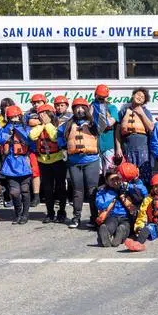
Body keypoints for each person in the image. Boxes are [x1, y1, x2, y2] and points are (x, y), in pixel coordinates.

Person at [58, 97, 102, 229]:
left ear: (87, 109)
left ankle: (94, 219)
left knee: (92, 190)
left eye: (82, 107)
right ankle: (76, 217)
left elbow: (102, 126)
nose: (80, 110)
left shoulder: (93, 123)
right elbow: (59, 136)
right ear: (73, 109)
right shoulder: (67, 124)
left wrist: (97, 108)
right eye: (77, 108)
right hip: (74, 162)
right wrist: (63, 147)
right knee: (77, 190)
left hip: (91, 160)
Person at [29, 103, 68, 224]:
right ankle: (50, 213)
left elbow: (55, 137)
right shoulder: (38, 127)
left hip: (58, 160)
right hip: (43, 161)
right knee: (47, 189)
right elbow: (32, 136)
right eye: (41, 115)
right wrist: (43, 124)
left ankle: (62, 212)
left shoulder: (58, 126)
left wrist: (48, 124)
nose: (43, 116)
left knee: (60, 187)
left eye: (45, 114)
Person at [0, 105, 33, 224]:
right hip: (10, 164)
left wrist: (18, 128)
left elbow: (29, 139)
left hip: (23, 163)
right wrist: (9, 129)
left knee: (25, 190)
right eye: (12, 117)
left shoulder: (26, 128)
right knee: (14, 192)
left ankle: (25, 215)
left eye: (16, 116)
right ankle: (17, 213)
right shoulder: (5, 128)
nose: (15, 119)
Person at [95, 167, 147, 248]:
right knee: (110, 224)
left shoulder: (127, 186)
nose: (115, 182)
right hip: (112, 216)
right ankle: (106, 233)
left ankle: (120, 236)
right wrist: (112, 194)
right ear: (107, 181)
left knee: (125, 226)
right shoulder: (103, 190)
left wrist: (128, 186)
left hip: (127, 216)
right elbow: (100, 205)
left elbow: (144, 192)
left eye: (117, 178)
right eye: (112, 180)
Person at [116, 87, 155, 185]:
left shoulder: (146, 112)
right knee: (128, 172)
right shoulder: (123, 111)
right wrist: (118, 148)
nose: (139, 97)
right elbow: (117, 131)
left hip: (142, 147)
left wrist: (141, 113)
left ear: (144, 101)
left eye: (142, 97)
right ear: (133, 95)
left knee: (143, 172)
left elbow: (151, 127)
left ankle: (144, 195)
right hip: (127, 147)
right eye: (138, 94)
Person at [24, 94, 47, 207]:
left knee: (48, 174)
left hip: (47, 148)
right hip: (33, 147)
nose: (36, 104)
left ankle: (49, 195)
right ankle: (36, 196)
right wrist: (41, 121)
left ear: (44, 102)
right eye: (34, 103)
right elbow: (27, 123)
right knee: (35, 173)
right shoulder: (28, 114)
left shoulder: (48, 110)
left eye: (39, 102)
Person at [93, 84, 119, 177]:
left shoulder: (112, 107)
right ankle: (98, 190)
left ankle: (109, 190)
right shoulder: (91, 107)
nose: (101, 99)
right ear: (95, 95)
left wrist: (98, 121)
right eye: (99, 97)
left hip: (108, 144)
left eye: (103, 97)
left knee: (109, 169)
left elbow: (110, 122)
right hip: (94, 145)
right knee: (97, 171)